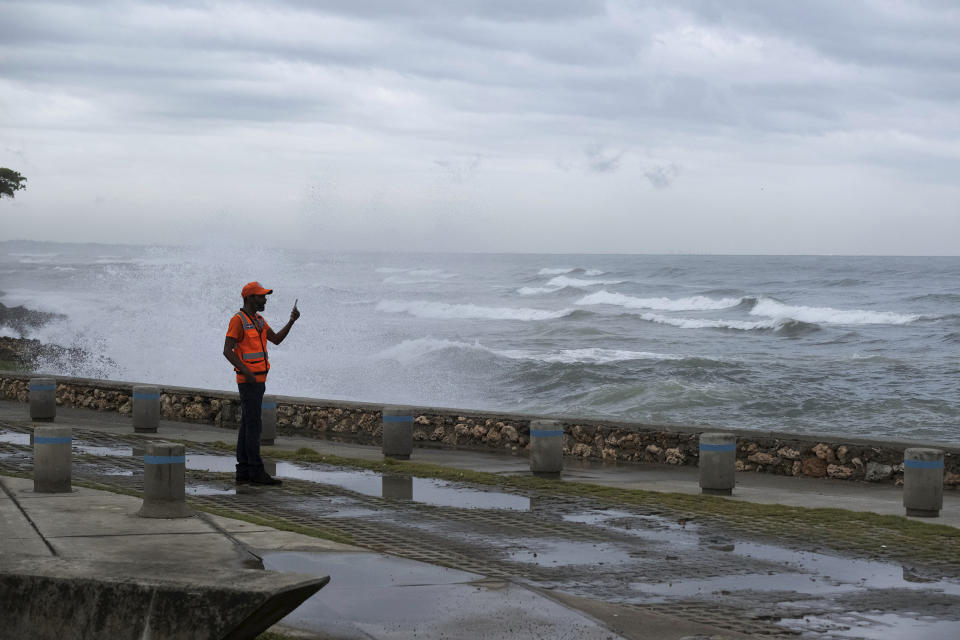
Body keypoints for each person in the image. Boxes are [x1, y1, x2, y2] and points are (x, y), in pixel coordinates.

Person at [223, 281, 300, 485]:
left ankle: (244, 471)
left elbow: (276, 339)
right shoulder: (238, 320)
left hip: (258, 380)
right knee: (254, 426)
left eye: (265, 296)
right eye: (261, 296)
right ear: (249, 298)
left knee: (248, 425)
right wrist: (246, 371)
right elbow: (227, 350)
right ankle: (256, 472)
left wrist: (291, 321)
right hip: (249, 381)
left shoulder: (259, 320)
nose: (265, 299)